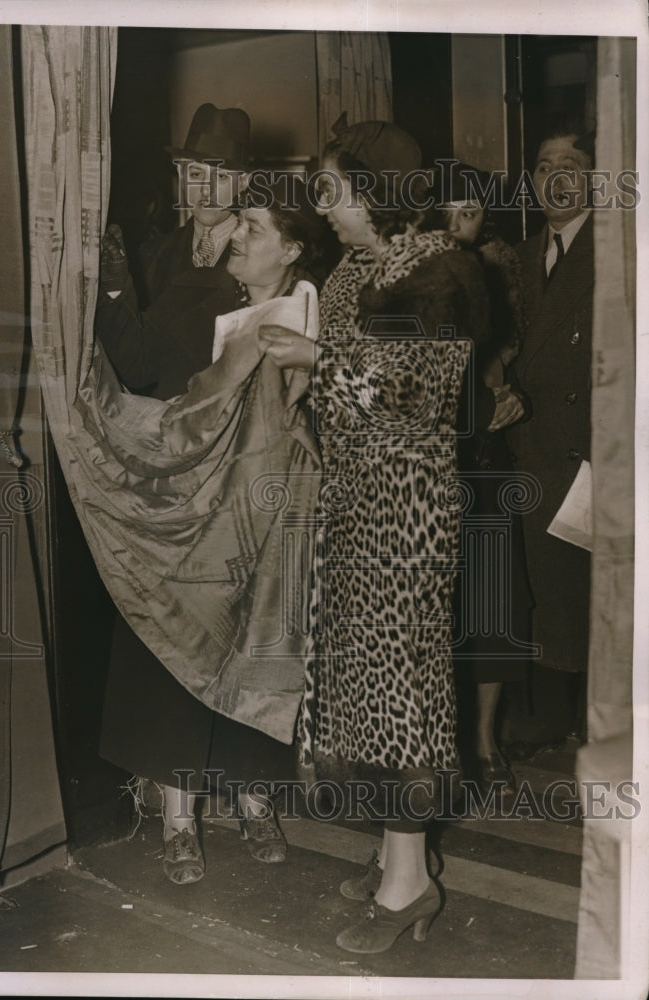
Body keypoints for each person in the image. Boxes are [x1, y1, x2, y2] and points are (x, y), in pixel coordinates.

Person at [260, 116, 491, 954]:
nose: (321, 206)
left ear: (375, 194)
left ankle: (412, 883)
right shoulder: (358, 270)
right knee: (360, 689)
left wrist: (317, 361)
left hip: (407, 508)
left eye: (332, 189)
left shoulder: (444, 274)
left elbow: (417, 404)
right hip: (355, 504)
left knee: (404, 695)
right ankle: (399, 849)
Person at [95, 175, 327, 886]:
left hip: (278, 517)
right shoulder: (213, 305)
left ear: (291, 248)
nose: (236, 236)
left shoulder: (310, 320)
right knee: (182, 637)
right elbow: (183, 403)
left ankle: (256, 798)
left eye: (253, 227)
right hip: (202, 518)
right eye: (239, 224)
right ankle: (177, 818)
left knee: (263, 652)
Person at [435, 165, 532, 800]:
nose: (456, 225)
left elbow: (520, 350)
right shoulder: (412, 273)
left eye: (468, 213)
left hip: (485, 453)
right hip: (431, 453)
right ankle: (442, 740)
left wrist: (512, 391)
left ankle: (486, 738)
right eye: (446, 212)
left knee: (493, 598)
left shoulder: (500, 272)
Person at [504, 127, 594, 756]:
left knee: (582, 588)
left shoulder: (623, 252)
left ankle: (584, 712)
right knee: (542, 585)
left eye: (570, 164)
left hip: (587, 449)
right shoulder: (521, 254)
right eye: (542, 166)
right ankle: (552, 710)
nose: (554, 177)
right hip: (529, 446)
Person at [137, 102, 250, 307]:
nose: (206, 190)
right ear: (182, 175)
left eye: (222, 176)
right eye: (196, 174)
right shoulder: (151, 254)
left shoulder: (259, 256)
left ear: (242, 183)